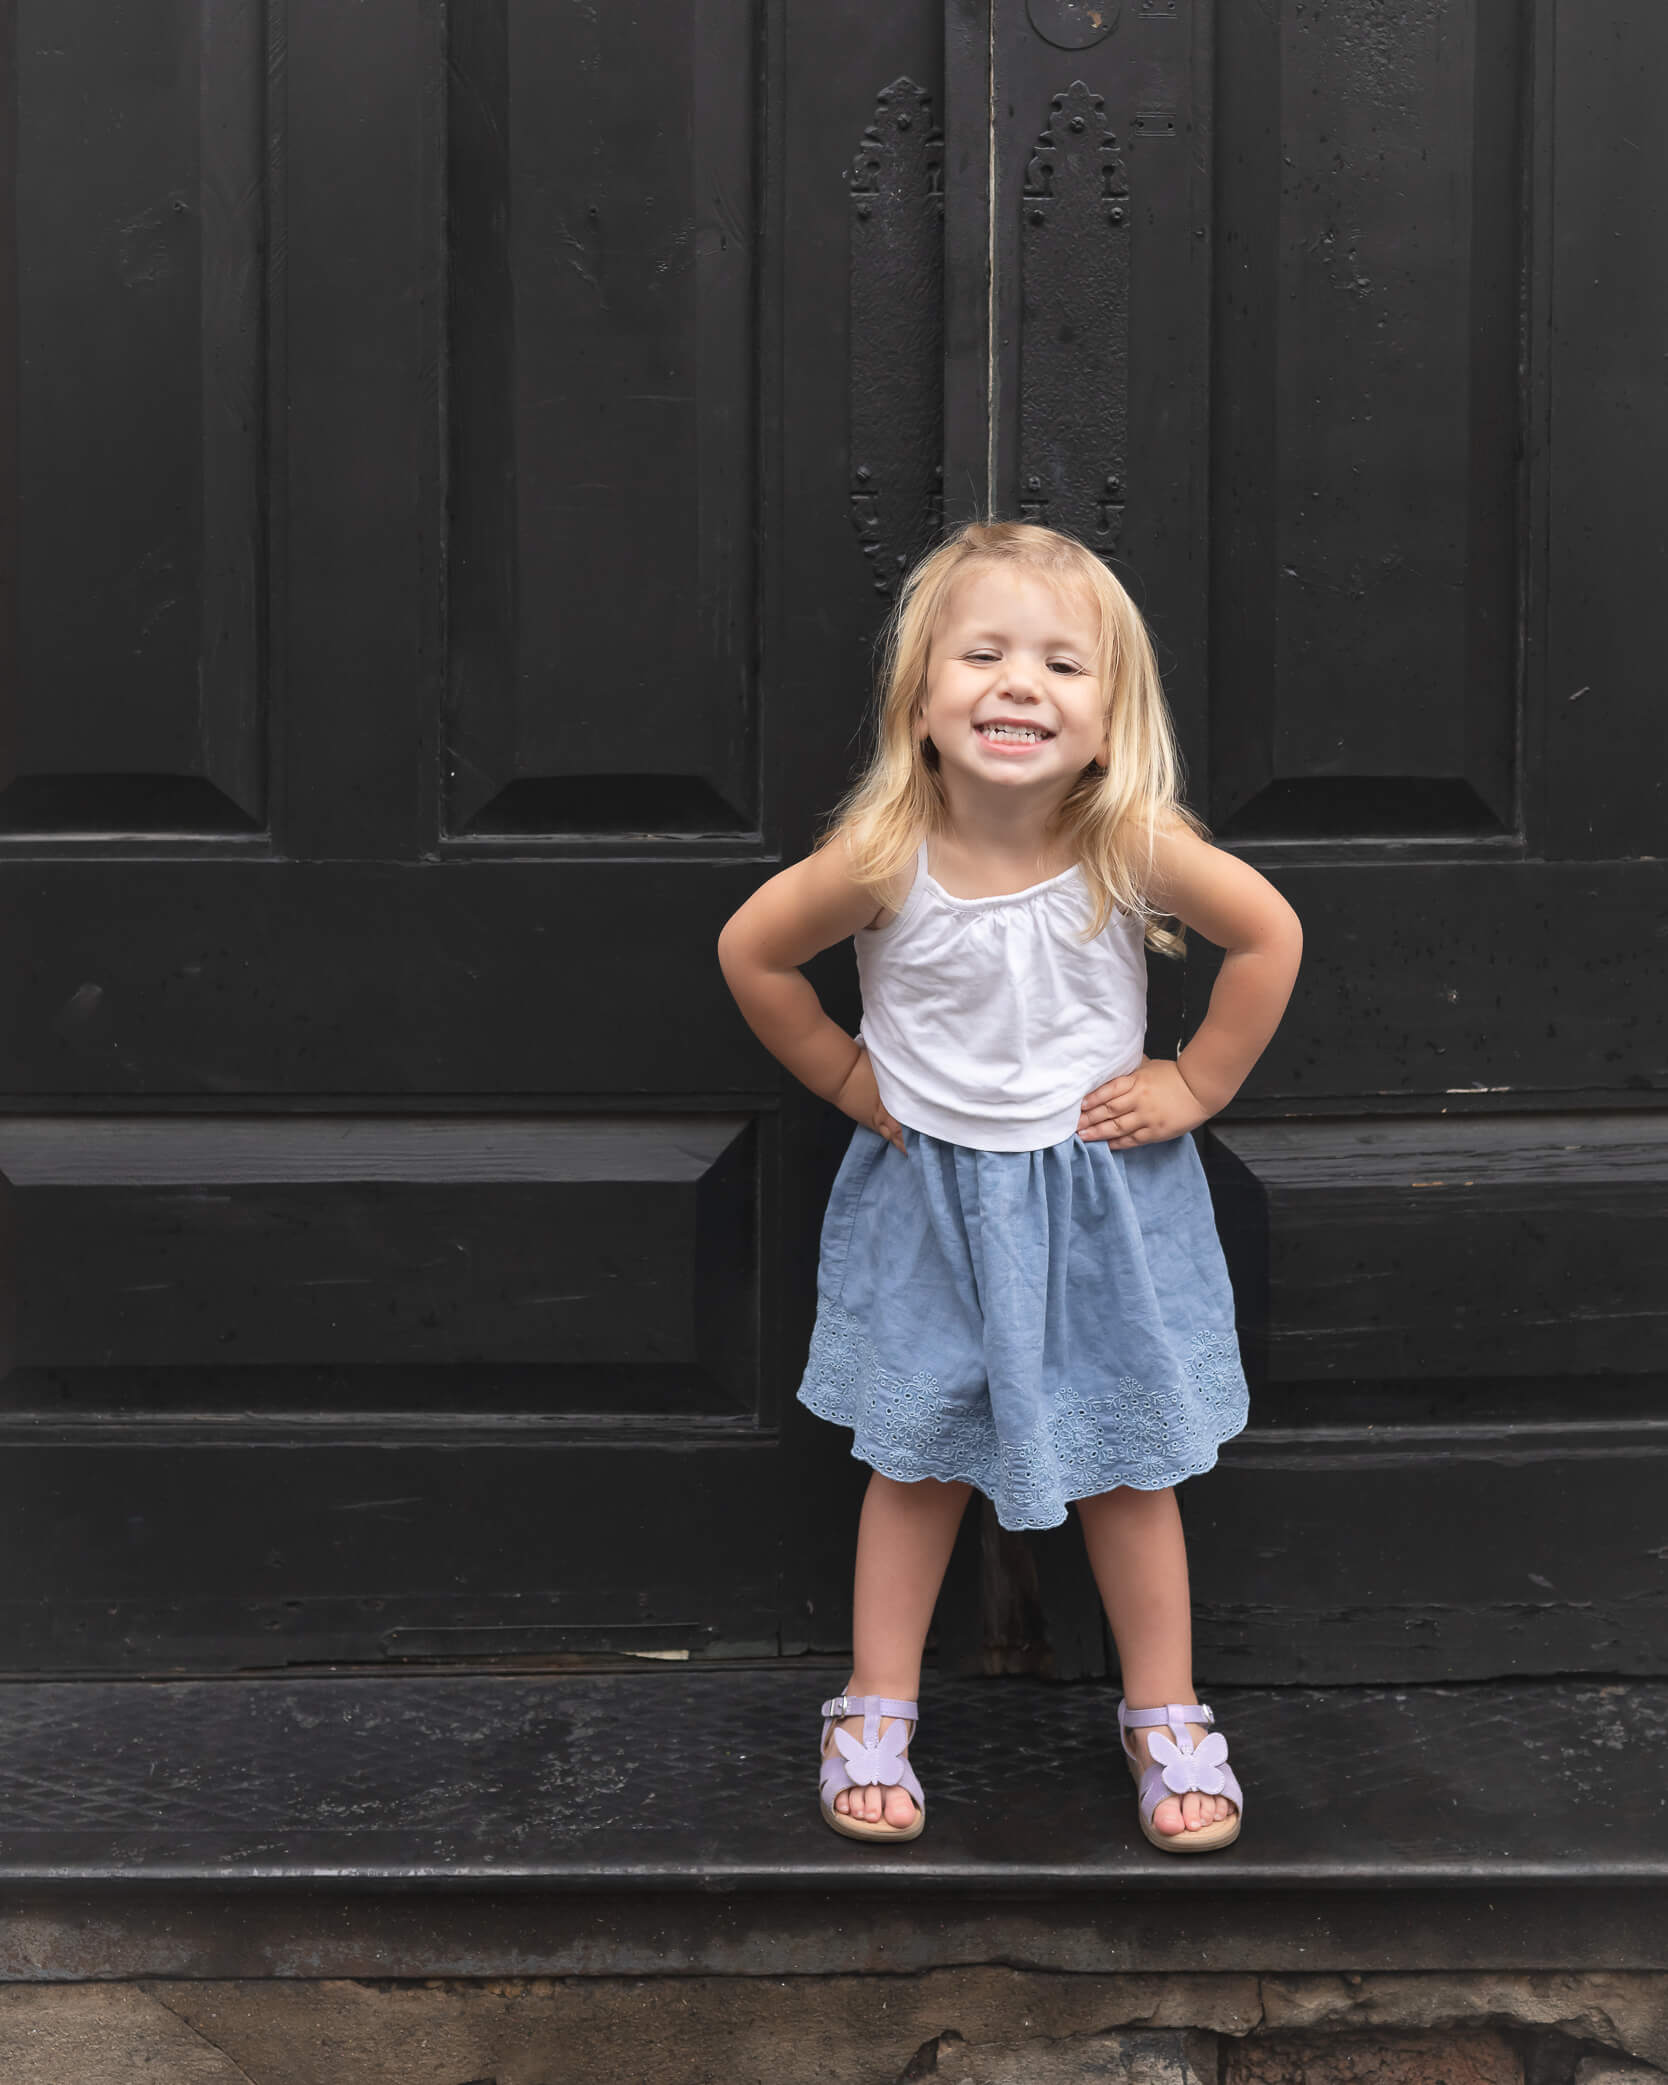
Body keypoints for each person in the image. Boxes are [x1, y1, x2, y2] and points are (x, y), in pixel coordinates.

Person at [716, 521, 1302, 1853]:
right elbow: (752, 952)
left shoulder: (1124, 844)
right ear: (921, 704)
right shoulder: (883, 854)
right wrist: (853, 1082)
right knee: (913, 1462)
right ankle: (874, 1705)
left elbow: (1269, 932)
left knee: (1129, 1467)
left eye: (1060, 663)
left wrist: (1198, 1082)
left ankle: (1166, 1710)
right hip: (932, 1212)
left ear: (1109, 721)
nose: (1019, 683)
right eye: (981, 654)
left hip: (1100, 1208)